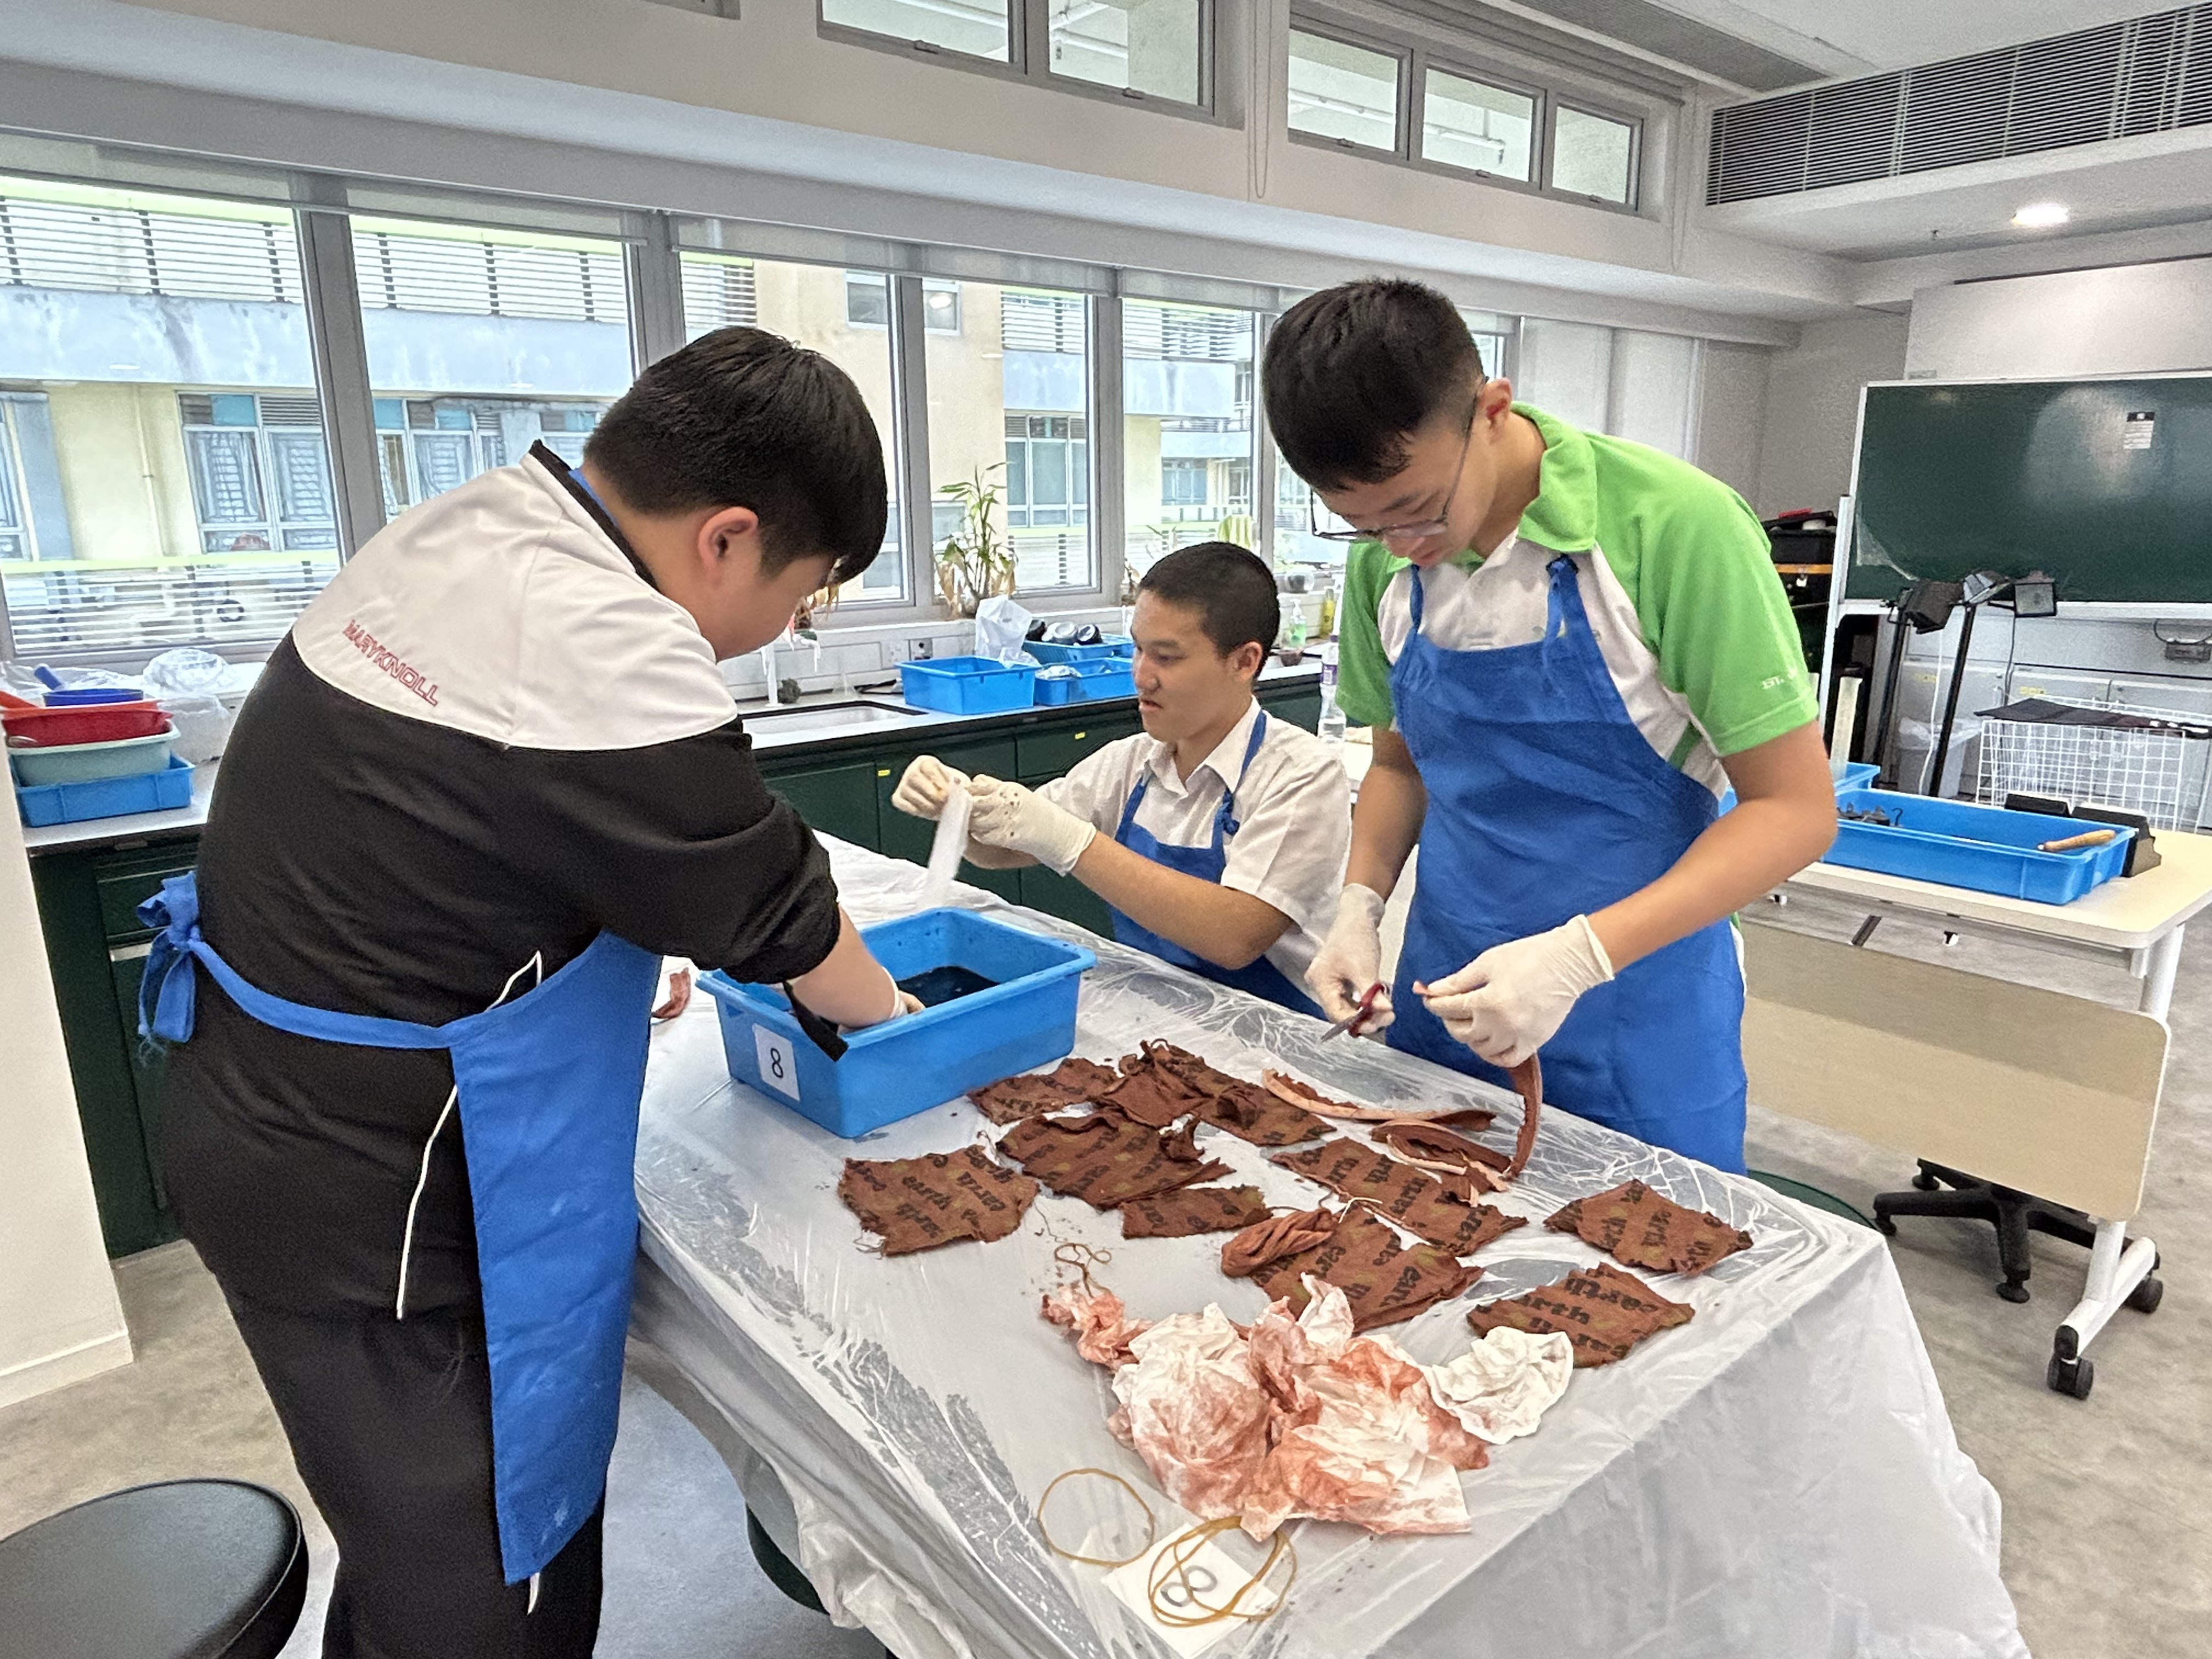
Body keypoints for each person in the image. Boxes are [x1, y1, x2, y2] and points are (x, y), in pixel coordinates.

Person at [143, 328, 915, 1658]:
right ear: (728, 538)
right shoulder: (604, 639)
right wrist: (894, 1019)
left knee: (404, 1551)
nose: (786, 634)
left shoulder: (475, 528)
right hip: (373, 1203)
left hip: (261, 1125)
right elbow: (782, 916)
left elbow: (480, 835)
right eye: (805, 598)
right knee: (490, 1591)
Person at [1265, 279, 1836, 1172]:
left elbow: (1795, 809)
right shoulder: (1389, 565)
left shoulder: (1673, 528)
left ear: (1491, 411)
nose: (1399, 544)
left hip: (1634, 1017)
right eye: (1359, 526)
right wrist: (1358, 907)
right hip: (1445, 998)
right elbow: (1399, 768)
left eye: (1416, 508)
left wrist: (1578, 956)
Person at [891, 541, 1351, 1014]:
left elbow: (1234, 936)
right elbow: (1005, 851)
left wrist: (1071, 841)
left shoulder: (1300, 775)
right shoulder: (1131, 763)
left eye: (1166, 657)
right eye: (1138, 649)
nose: (1141, 676)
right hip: (1161, 1011)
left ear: (1244, 662)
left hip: (1275, 1028)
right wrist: (960, 807)